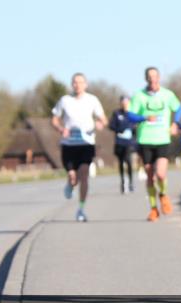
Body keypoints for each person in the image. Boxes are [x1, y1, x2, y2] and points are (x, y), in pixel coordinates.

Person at [127, 67, 181, 221]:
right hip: (145, 140)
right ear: (146, 79)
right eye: (150, 77)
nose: (153, 80)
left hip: (162, 139)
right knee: (150, 175)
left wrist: (175, 124)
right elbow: (130, 115)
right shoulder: (139, 96)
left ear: (159, 77)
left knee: (161, 173)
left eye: (155, 77)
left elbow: (179, 108)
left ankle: (163, 195)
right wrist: (143, 118)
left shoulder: (167, 94)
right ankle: (153, 209)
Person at [51, 73, 108, 222]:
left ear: (86, 84)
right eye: (75, 82)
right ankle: (70, 183)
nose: (78, 85)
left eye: (81, 82)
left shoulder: (92, 100)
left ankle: (81, 210)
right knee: (73, 177)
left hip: (86, 144)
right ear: (72, 84)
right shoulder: (65, 100)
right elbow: (55, 119)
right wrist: (60, 129)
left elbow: (103, 119)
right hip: (69, 145)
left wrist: (100, 124)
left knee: (84, 178)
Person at [110, 95, 138, 193]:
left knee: (128, 161)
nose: (125, 104)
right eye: (123, 102)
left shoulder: (132, 114)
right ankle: (122, 182)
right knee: (121, 162)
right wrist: (119, 129)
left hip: (129, 143)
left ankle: (130, 182)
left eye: (127, 102)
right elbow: (111, 126)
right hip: (119, 142)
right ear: (121, 103)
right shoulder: (116, 113)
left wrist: (133, 130)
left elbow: (137, 125)